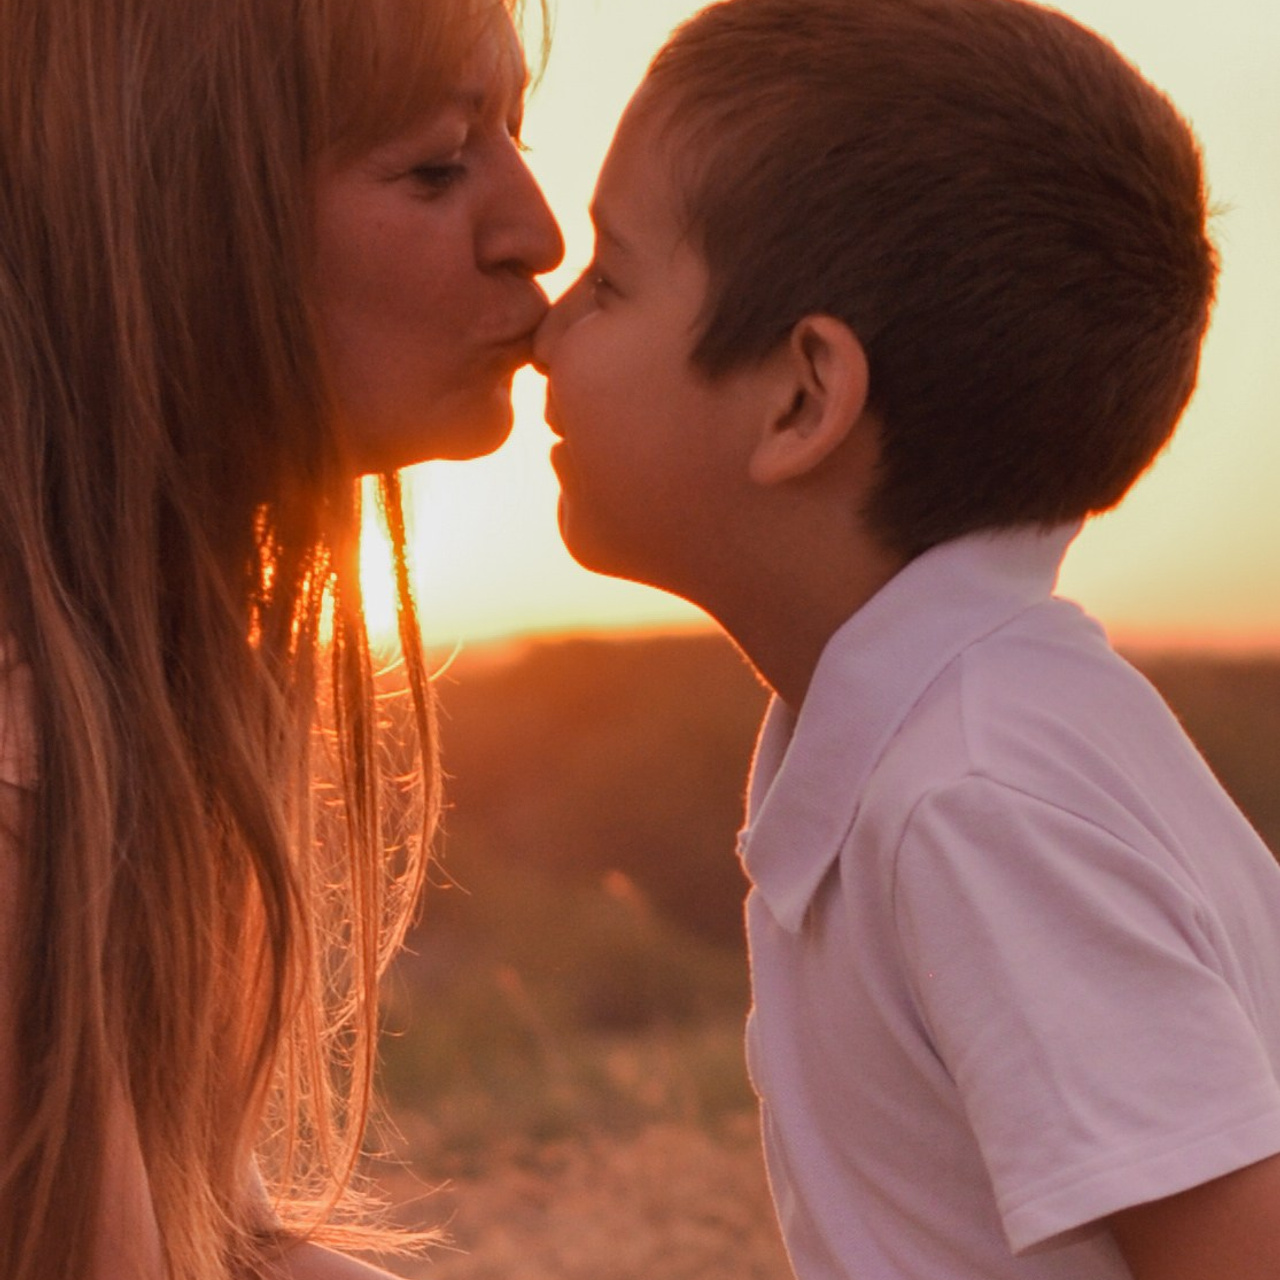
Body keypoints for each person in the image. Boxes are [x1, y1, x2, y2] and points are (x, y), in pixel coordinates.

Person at [533, 0, 1280, 1276]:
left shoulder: (975, 795)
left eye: (608, 278)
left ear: (803, 395)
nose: (546, 332)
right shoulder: (942, 737)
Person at [0, 0, 562, 1276]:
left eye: (515, 134)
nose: (537, 231)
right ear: (175, 218)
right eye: (436, 164)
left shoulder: (139, 667)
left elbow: (219, 1241)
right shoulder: (28, 754)